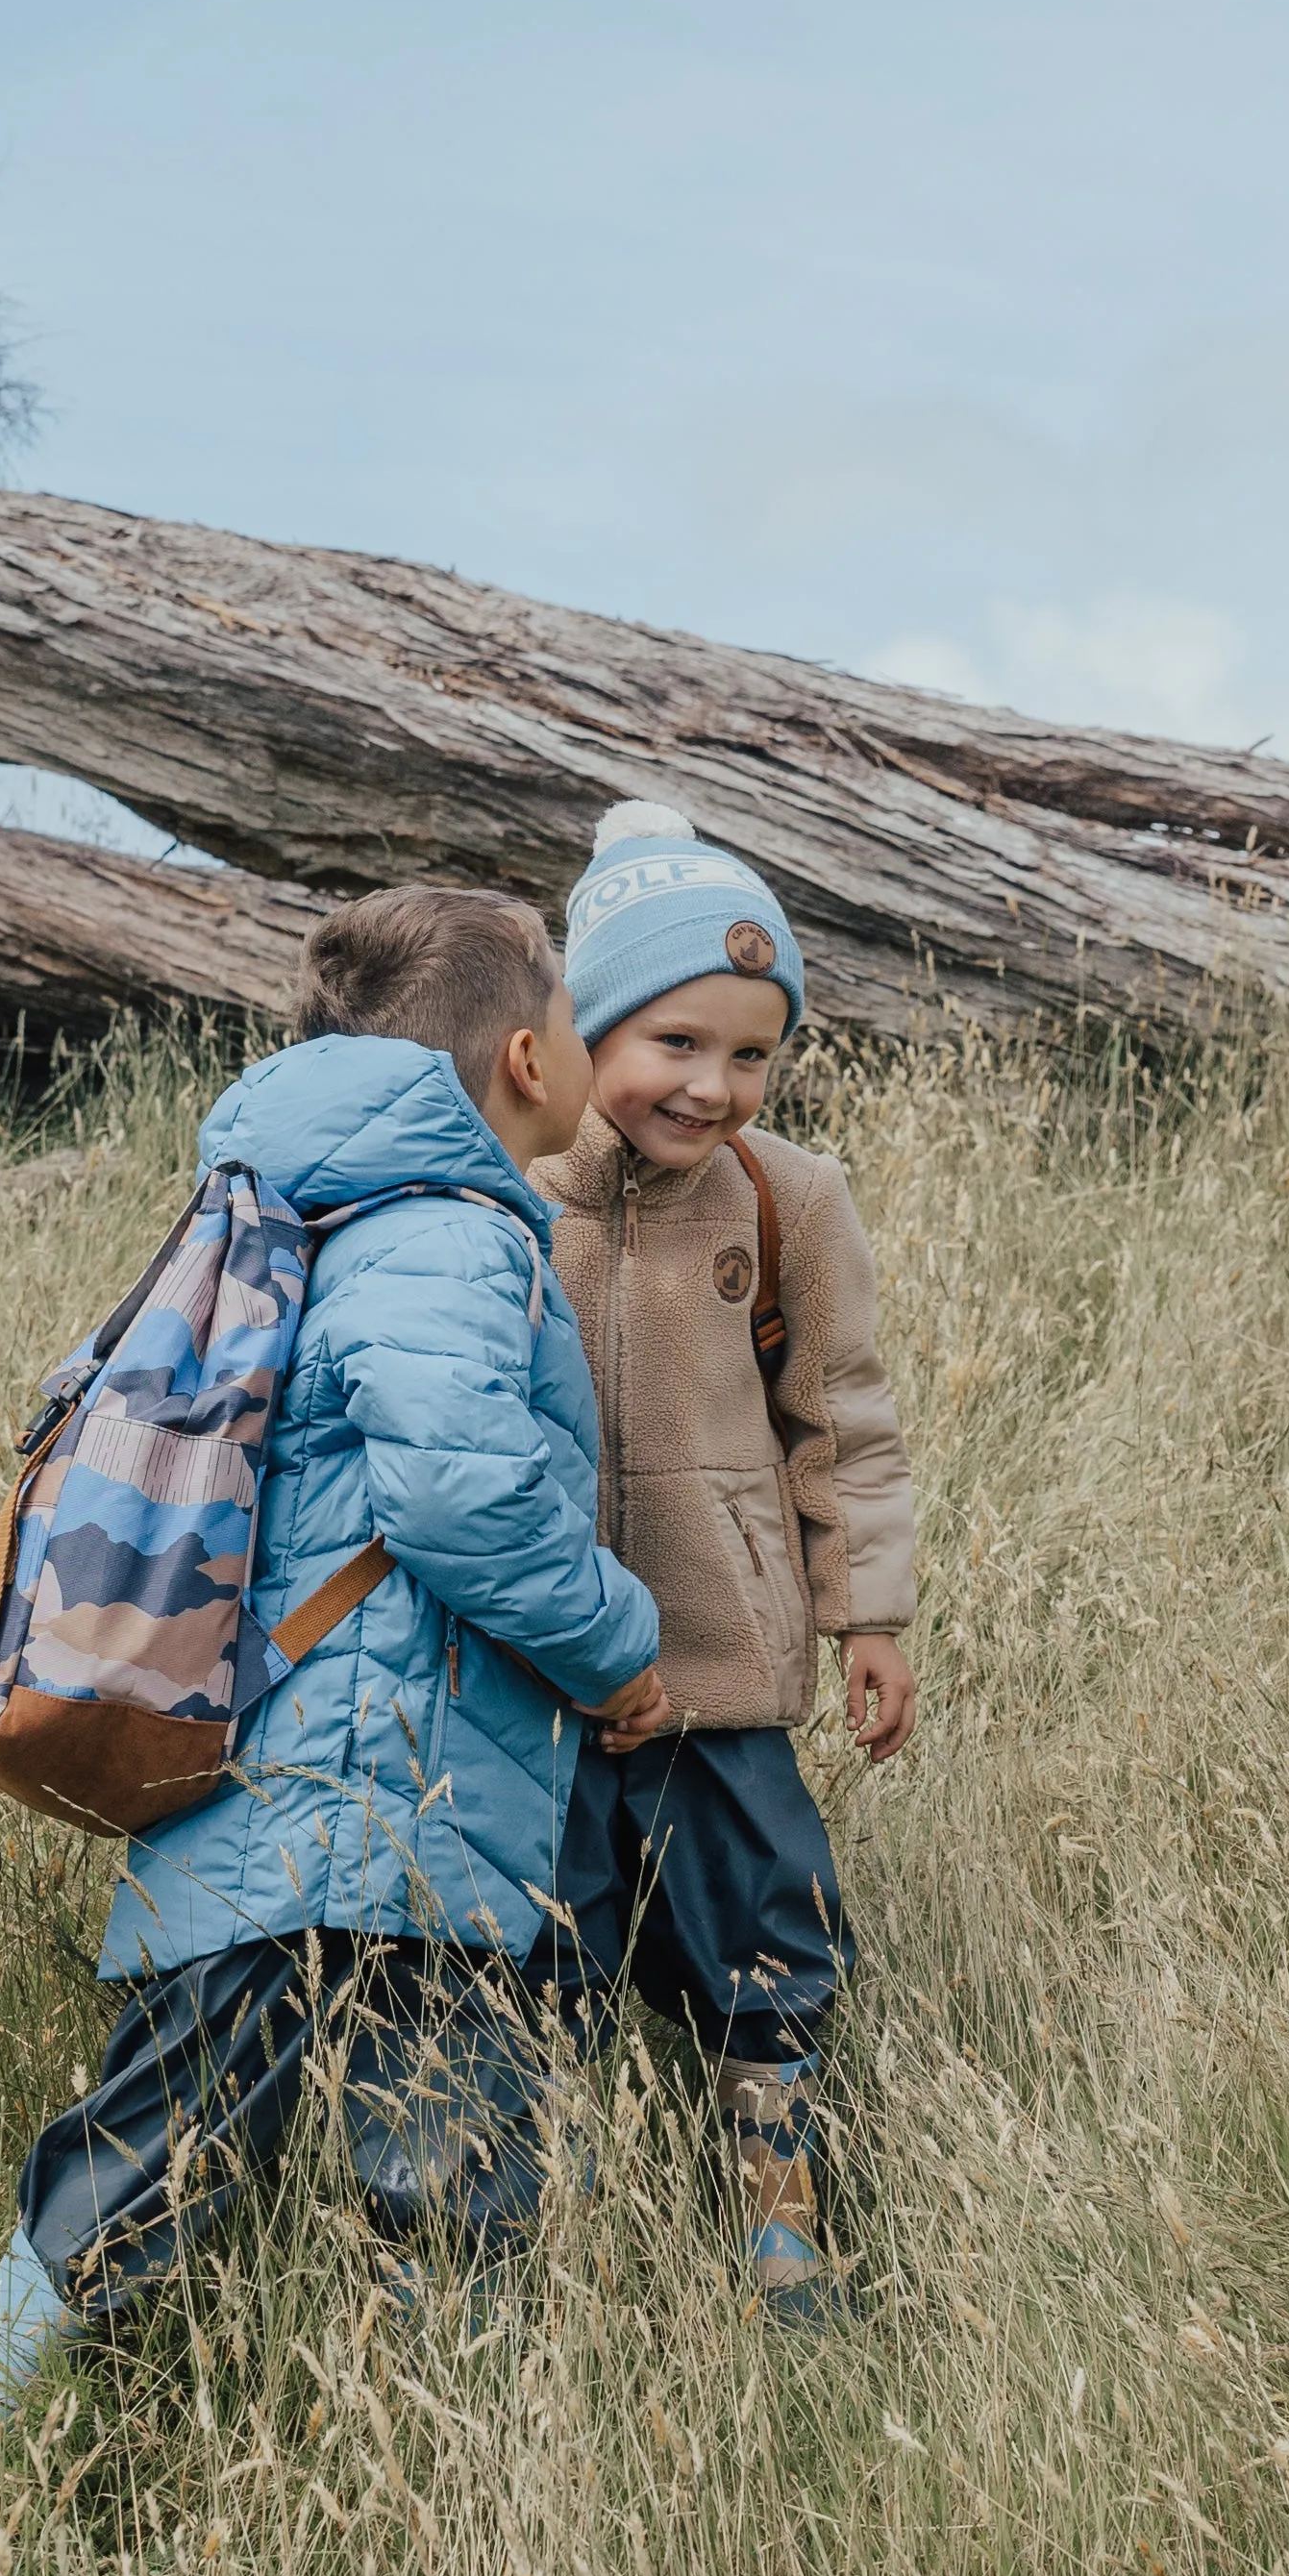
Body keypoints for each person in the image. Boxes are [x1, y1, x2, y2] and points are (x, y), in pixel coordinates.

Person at [0, 883, 667, 2576]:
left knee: (147, 2165)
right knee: (451, 2184)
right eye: (588, 1028)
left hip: (251, 1811)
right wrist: (618, 1642)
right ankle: (463, 2546)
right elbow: (459, 1496)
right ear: (528, 1059)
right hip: (396, 1815)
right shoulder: (451, 1227)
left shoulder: (280, 1203)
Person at [531, 801, 920, 2317]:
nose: (714, 1087)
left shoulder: (788, 1199)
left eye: (752, 1054)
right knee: (548, 1942)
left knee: (768, 1926)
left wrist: (864, 1614)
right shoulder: (512, 1190)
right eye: (675, 1043)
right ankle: (564, 2209)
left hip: (726, 1665)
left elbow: (844, 1425)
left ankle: (779, 2208)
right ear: (584, 1025)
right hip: (547, 1676)